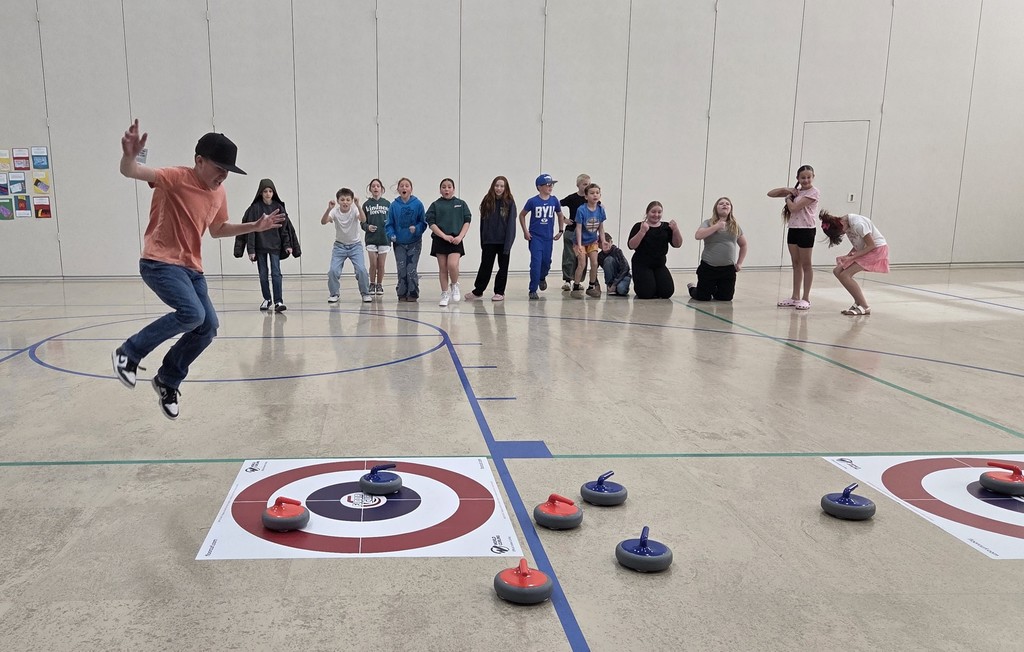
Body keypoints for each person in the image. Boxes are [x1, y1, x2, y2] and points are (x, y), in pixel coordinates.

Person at [111, 119, 285, 420]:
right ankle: (129, 352)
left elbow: (217, 229)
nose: (223, 176)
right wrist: (129, 156)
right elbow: (133, 171)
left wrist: (254, 226)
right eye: (219, 168)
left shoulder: (219, 193)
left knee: (208, 327)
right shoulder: (175, 177)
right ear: (199, 161)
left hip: (192, 268)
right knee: (193, 314)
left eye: (227, 171)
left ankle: (167, 379)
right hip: (160, 261)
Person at [768, 164, 819, 310]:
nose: (806, 180)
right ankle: (795, 296)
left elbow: (794, 208)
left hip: (806, 230)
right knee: (795, 263)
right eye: (803, 177)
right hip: (793, 229)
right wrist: (787, 190)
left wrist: (788, 199)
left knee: (806, 264)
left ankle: (806, 298)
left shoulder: (814, 192)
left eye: (809, 177)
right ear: (798, 178)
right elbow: (770, 193)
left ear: (813, 177)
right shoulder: (795, 192)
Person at [819, 210, 890, 315]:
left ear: (841, 225)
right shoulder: (846, 224)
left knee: (845, 275)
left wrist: (851, 257)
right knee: (837, 271)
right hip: (866, 249)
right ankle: (858, 301)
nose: (843, 234)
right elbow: (858, 244)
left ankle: (865, 306)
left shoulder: (858, 225)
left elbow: (871, 245)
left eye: (841, 233)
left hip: (876, 250)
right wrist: (847, 256)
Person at [243, 178, 292, 312]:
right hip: (260, 247)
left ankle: (278, 301)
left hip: (275, 246)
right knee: (263, 274)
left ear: (273, 192)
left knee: (276, 273)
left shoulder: (278, 207)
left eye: (270, 191)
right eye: (265, 191)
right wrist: (251, 250)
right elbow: (251, 230)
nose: (268, 193)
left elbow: (284, 229)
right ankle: (267, 299)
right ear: (260, 193)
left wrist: (287, 245)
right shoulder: (255, 208)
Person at [465, 176, 516, 302]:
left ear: (506, 188)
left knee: (503, 267)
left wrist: (508, 244)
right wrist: (483, 240)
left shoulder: (509, 202)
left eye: (502, 186)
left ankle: (499, 292)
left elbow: (511, 225)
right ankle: (478, 291)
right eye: (497, 185)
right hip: (489, 241)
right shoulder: (487, 201)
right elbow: (482, 223)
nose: (499, 188)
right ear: (493, 186)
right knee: (485, 266)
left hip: (503, 242)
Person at [688, 197, 748, 301]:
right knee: (703, 297)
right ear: (716, 208)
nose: (724, 205)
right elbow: (698, 236)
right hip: (709, 267)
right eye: (721, 203)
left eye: (727, 204)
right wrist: (716, 226)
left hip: (727, 268)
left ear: (730, 208)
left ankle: (713, 287)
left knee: (725, 298)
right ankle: (692, 287)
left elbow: (743, 245)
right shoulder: (708, 223)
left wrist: (739, 263)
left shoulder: (735, 226)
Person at [426, 178, 472, 306]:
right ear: (440, 189)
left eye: (449, 187)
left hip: (456, 239)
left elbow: (467, 221)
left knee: (452, 264)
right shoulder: (435, 205)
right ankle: (444, 293)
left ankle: (455, 284)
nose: (446, 189)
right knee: (443, 267)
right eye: (444, 187)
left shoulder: (461, 204)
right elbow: (431, 223)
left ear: (453, 189)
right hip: (440, 239)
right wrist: (443, 236)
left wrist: (460, 236)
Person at [518, 173, 565, 300]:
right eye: (548, 184)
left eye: (552, 185)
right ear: (539, 187)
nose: (551, 187)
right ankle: (532, 289)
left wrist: (561, 230)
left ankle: (542, 277)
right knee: (536, 262)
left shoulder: (554, 200)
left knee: (546, 262)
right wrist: (525, 231)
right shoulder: (532, 201)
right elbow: (522, 215)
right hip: (535, 237)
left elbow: (560, 215)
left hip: (548, 238)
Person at [322, 188, 371, 304]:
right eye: (342, 200)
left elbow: (363, 219)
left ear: (351, 201)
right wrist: (328, 209)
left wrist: (359, 205)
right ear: (338, 201)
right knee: (333, 271)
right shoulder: (335, 212)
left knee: (361, 270)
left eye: (348, 200)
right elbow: (323, 221)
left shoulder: (354, 211)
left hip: (355, 246)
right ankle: (334, 294)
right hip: (339, 246)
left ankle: (365, 293)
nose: (345, 202)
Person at [627, 201, 683, 299]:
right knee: (646, 294)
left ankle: (655, 284)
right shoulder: (639, 226)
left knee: (667, 292)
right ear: (647, 213)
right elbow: (631, 245)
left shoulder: (666, 227)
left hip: (659, 264)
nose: (656, 215)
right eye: (653, 212)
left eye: (659, 212)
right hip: (642, 264)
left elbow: (677, 244)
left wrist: (675, 230)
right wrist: (642, 231)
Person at [385, 178, 427, 302]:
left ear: (411, 189)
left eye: (407, 186)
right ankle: (401, 292)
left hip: (414, 242)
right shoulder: (394, 205)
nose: (404, 188)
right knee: (401, 268)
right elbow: (389, 223)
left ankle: (413, 293)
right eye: (402, 186)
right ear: (398, 189)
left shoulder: (418, 204)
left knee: (411, 269)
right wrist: (391, 234)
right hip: (399, 243)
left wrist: (417, 228)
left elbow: (423, 222)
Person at [570, 182, 606, 299]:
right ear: (586, 196)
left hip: (592, 241)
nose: (595, 195)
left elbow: (600, 227)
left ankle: (591, 286)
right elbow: (578, 228)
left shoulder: (600, 210)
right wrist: (579, 245)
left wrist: (603, 240)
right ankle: (576, 286)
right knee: (582, 263)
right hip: (580, 241)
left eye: (597, 193)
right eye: (591, 193)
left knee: (595, 263)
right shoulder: (581, 210)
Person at [560, 173, 590, 290]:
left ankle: (578, 280)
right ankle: (567, 280)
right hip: (571, 231)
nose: (587, 186)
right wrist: (564, 219)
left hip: (585, 232)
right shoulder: (572, 198)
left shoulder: (590, 199)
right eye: (584, 184)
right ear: (578, 185)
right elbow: (556, 205)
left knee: (582, 257)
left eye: (588, 184)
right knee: (569, 256)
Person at [362, 178, 391, 297]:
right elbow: (362, 222)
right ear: (370, 189)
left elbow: (392, 220)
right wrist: (367, 227)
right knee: (373, 263)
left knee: (381, 264)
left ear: (382, 189)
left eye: (378, 186)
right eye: (373, 186)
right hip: (371, 238)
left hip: (384, 238)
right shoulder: (366, 205)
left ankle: (379, 284)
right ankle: (372, 283)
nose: (375, 188)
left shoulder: (387, 204)